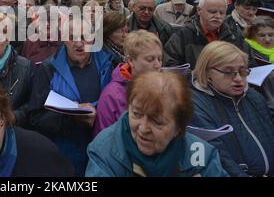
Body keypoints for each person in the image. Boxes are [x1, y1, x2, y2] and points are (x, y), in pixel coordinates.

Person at [86, 71, 228, 177]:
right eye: (136, 114)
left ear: (178, 128)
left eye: (157, 122)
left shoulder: (200, 154)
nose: (143, 129)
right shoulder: (104, 150)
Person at [28, 17, 113, 176]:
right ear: (64, 39)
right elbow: (36, 117)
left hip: (104, 154)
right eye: (72, 37)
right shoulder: (48, 69)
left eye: (84, 36)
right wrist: (71, 118)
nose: (79, 43)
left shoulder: (108, 63)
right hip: (65, 156)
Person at [190, 41, 274, 177]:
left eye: (243, 71)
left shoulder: (254, 97)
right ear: (207, 72)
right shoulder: (196, 106)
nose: (239, 79)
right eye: (229, 72)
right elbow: (219, 157)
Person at [94, 30, 163, 137]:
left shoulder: (164, 89)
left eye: (160, 59)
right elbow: (102, 141)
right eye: (150, 59)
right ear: (131, 61)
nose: (157, 65)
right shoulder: (111, 96)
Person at [164, 0, 256, 69]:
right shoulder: (184, 35)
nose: (217, 16)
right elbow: (170, 65)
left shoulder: (234, 33)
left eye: (222, 13)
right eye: (212, 12)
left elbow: (249, 62)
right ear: (199, 10)